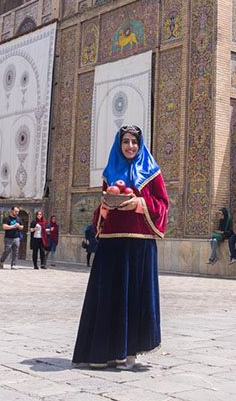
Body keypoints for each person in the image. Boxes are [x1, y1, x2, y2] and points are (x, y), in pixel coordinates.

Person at [73, 125, 169, 370]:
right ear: (119, 144)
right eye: (125, 142)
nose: (130, 146)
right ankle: (105, 352)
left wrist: (139, 203)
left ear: (140, 144)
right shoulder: (110, 172)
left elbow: (163, 205)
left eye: (134, 142)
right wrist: (103, 209)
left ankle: (128, 353)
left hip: (139, 245)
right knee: (110, 297)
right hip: (112, 244)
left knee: (133, 297)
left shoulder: (152, 173)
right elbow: (101, 212)